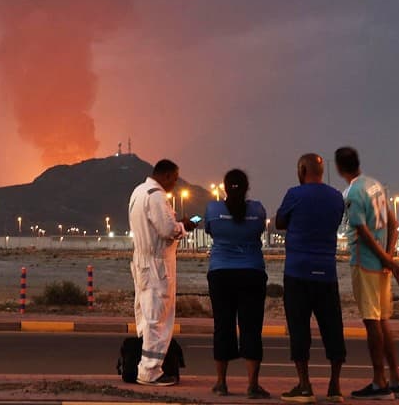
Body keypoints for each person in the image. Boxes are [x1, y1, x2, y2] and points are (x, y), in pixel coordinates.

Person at [336, 146, 399, 400]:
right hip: (381, 266)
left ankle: (379, 383)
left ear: (338, 168)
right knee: (383, 320)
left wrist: (387, 259)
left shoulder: (353, 193)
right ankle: (396, 378)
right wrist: (389, 259)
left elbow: (363, 232)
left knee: (371, 322)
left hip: (365, 264)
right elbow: (394, 223)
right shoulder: (375, 185)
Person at [275, 153, 347, 404]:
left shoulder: (294, 194)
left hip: (298, 271)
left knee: (299, 328)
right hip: (327, 272)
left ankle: (304, 386)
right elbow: (336, 221)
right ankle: (335, 385)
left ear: (302, 170)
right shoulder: (337, 197)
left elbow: (279, 222)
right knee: (333, 327)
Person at [128, 158, 197, 386]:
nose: (174, 185)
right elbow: (167, 229)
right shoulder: (156, 196)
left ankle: (145, 364)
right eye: (174, 180)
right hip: (157, 265)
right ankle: (150, 371)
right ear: (166, 176)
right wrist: (184, 227)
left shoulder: (138, 192)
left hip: (142, 262)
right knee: (158, 318)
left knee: (147, 316)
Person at [204, 168, 270, 399]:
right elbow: (260, 229)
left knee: (223, 326)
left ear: (224, 187)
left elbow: (209, 230)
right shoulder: (257, 210)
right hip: (252, 272)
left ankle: (221, 383)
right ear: (246, 187)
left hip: (220, 273)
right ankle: (252, 385)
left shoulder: (213, 209)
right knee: (251, 327)